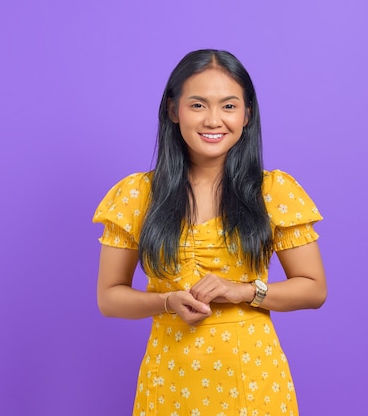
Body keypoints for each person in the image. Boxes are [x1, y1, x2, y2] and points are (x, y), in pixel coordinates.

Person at [92, 49, 327, 416]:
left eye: (229, 106)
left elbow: (314, 288)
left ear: (247, 114)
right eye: (198, 105)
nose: (214, 120)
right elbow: (109, 297)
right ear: (174, 111)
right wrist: (167, 301)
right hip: (170, 379)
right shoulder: (137, 195)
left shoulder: (273, 191)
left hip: (253, 380)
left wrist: (244, 291)